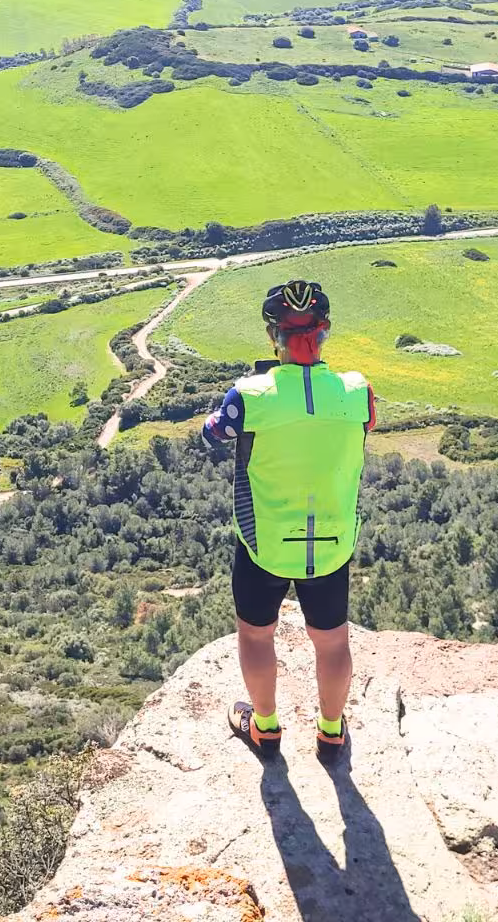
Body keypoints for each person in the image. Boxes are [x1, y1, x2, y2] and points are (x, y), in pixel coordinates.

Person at [203, 279, 375, 762]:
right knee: (333, 640)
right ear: (325, 334)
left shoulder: (247, 396)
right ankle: (331, 731)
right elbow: (361, 424)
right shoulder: (358, 392)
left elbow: (212, 433)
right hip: (332, 541)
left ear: (272, 336)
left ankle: (266, 728)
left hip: (266, 541)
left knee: (257, 633)